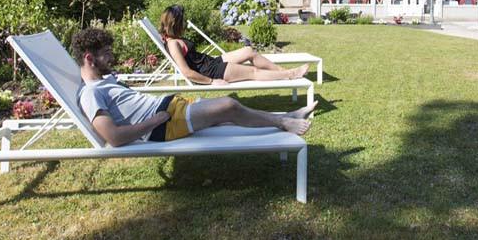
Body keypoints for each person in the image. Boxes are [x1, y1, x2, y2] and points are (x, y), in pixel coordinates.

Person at [74, 28, 317, 147]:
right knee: (228, 105)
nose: (111, 57)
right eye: (106, 54)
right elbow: (114, 138)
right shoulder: (91, 93)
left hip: (170, 110)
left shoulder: (103, 82)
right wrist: (157, 120)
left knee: (226, 117)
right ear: (89, 58)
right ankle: (285, 123)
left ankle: (284, 116)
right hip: (163, 123)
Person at [159, 5, 308, 84]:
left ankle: (281, 70)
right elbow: (187, 72)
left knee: (249, 51)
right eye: (183, 21)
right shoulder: (173, 44)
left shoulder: (170, 38)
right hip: (211, 72)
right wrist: (211, 82)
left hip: (210, 62)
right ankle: (290, 74)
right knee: (253, 72)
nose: (185, 23)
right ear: (176, 24)